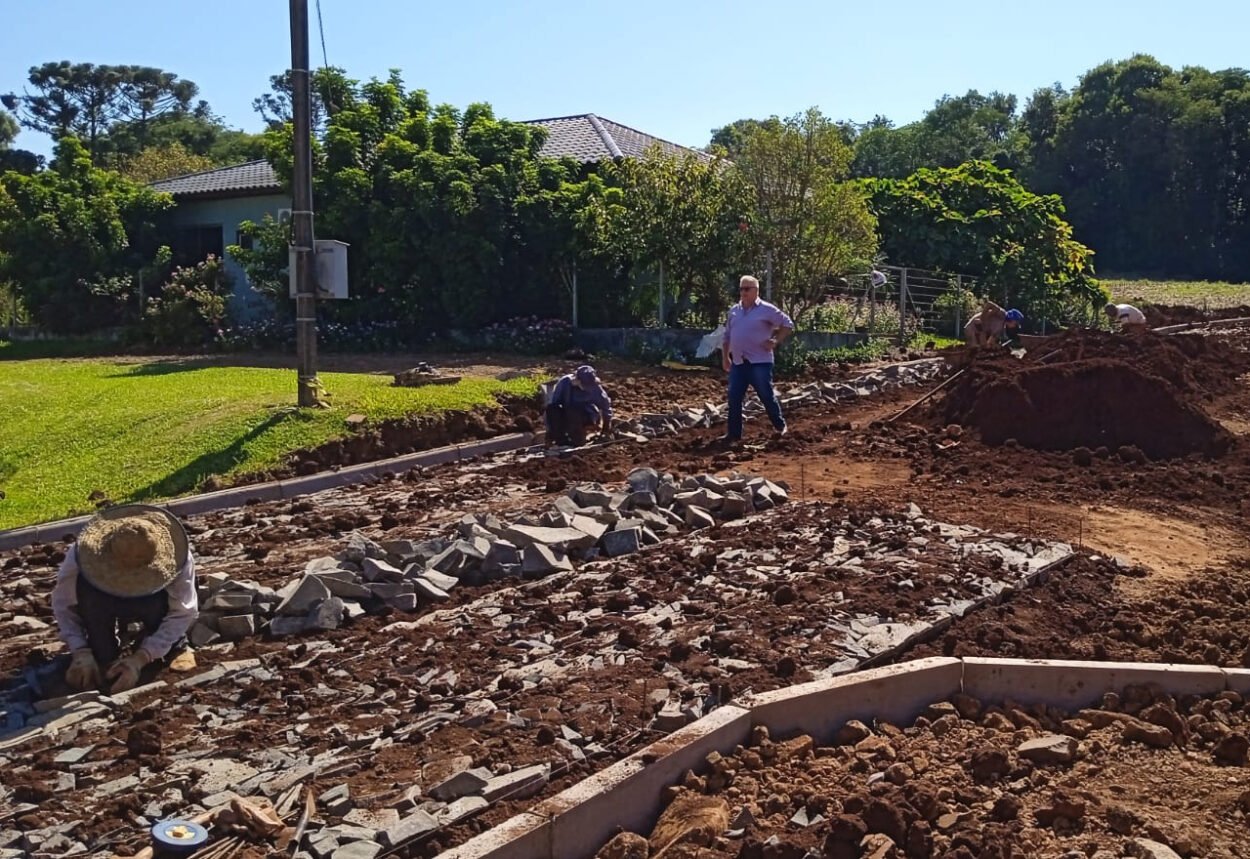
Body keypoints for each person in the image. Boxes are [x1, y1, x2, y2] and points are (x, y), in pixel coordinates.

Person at [52, 504, 199, 694]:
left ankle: (177, 647)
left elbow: (183, 611)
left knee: (158, 609)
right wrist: (79, 650)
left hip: (152, 598)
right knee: (101, 651)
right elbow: (64, 605)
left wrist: (141, 657)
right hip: (102, 596)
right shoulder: (82, 554)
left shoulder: (178, 556)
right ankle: (102, 653)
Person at [721, 274, 794, 442]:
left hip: (760, 362)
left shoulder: (766, 309)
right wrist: (725, 357)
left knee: (766, 395)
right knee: (734, 398)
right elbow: (727, 336)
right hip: (738, 362)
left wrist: (775, 341)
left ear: (756, 291)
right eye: (741, 289)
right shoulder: (734, 311)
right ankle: (734, 434)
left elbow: (787, 324)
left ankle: (780, 426)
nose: (743, 292)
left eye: (747, 289)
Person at [544, 364, 613, 447]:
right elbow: (553, 405)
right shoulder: (565, 383)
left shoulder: (595, 388)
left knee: (573, 411)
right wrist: (549, 431)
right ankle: (561, 441)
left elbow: (606, 407)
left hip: (586, 415)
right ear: (577, 380)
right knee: (552, 409)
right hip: (567, 414)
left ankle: (578, 440)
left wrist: (606, 428)